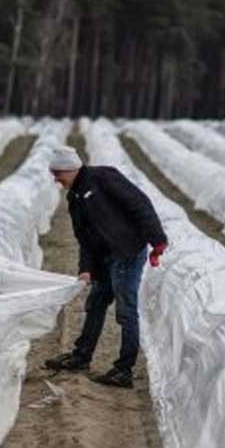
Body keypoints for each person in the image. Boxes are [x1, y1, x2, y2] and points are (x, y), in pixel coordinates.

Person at [44, 144, 168, 388]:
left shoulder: (104, 178)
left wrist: (157, 240)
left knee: (126, 310)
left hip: (128, 251)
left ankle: (124, 370)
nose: (56, 180)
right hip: (105, 257)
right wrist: (85, 268)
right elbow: (85, 239)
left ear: (69, 169)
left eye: (57, 174)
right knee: (96, 303)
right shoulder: (75, 198)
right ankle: (81, 357)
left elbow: (139, 204)